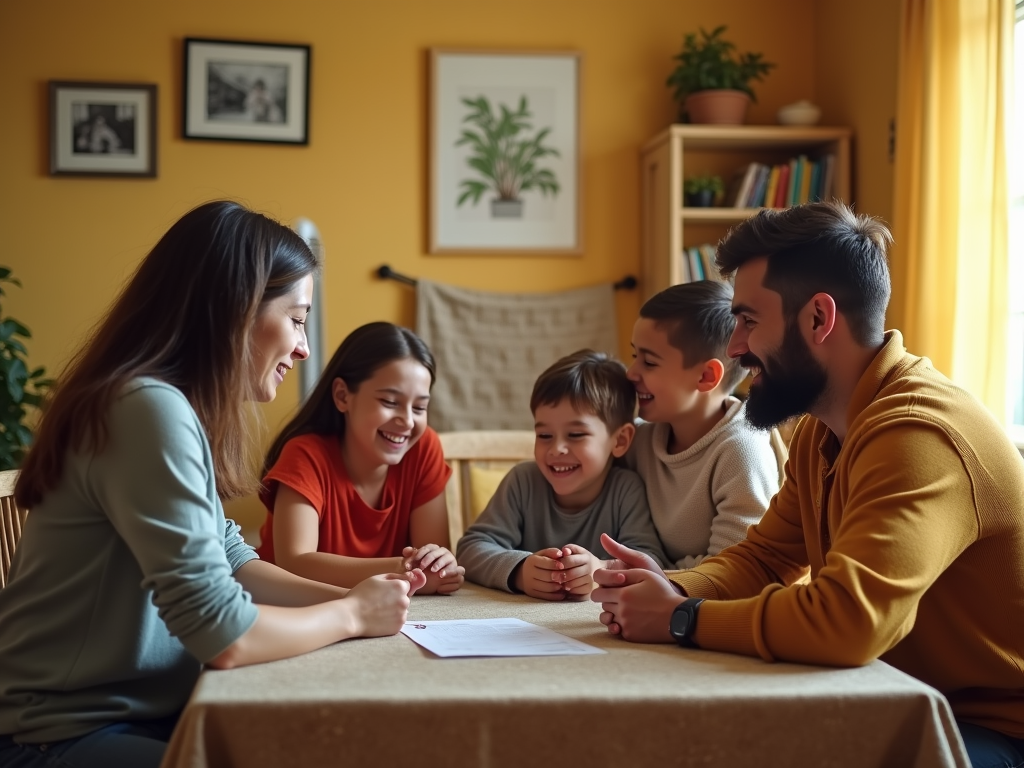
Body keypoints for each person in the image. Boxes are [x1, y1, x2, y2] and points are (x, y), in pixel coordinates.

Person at [591, 201, 1024, 768]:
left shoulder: (918, 436)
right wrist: (676, 587)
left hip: (989, 728)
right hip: (891, 696)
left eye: (748, 321)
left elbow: (848, 622)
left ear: (819, 318)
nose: (736, 347)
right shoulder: (825, 430)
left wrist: (682, 618)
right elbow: (767, 558)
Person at [0, 201, 426, 768]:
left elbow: (230, 557)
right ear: (235, 310)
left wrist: (351, 602)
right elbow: (222, 634)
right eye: (296, 319)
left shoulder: (163, 406)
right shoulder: (145, 409)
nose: (303, 347)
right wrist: (350, 617)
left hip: (140, 716)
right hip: (59, 736)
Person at [256, 322, 464, 595]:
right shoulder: (305, 454)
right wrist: (403, 569)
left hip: (381, 607)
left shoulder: (424, 448)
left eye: (420, 407)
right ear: (343, 396)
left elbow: (429, 565)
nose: (407, 421)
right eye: (390, 402)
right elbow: (294, 563)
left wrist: (439, 563)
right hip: (287, 604)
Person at [457, 350, 670, 600]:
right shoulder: (522, 481)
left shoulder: (626, 490)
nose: (556, 449)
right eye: (544, 436)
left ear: (620, 440)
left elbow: (651, 562)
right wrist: (519, 571)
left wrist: (601, 570)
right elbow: (470, 549)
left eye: (576, 435)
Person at [625, 280, 786, 568]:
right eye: (634, 355)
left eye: (649, 363)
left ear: (706, 377)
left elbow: (735, 569)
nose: (630, 373)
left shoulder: (741, 452)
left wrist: (636, 573)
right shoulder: (641, 439)